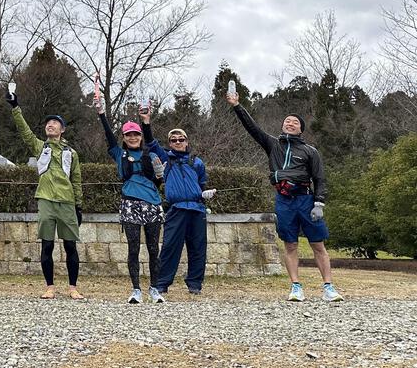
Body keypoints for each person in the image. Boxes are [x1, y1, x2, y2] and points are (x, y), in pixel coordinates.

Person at [226, 89, 343, 302]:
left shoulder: (311, 151)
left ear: (300, 129)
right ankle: (296, 287)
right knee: (290, 244)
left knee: (318, 244)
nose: (290, 123)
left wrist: (319, 203)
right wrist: (236, 106)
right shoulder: (273, 145)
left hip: (306, 200)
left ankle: (328, 287)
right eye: (287, 121)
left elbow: (319, 178)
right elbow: (252, 128)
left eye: (295, 122)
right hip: (284, 200)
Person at [6, 89, 84, 300]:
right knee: (47, 244)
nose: (50, 125)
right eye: (48, 123)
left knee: (70, 246)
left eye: (55, 123)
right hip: (46, 200)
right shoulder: (41, 148)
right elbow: (25, 133)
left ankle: (73, 287)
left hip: (67, 201)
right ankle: (49, 286)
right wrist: (15, 108)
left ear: (63, 129)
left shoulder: (72, 153)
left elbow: (76, 180)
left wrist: (79, 206)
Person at [93, 88, 165, 304]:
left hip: (152, 203)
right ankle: (136, 289)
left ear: (140, 136)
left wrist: (146, 122)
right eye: (128, 134)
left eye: (136, 134)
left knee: (154, 248)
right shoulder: (118, 153)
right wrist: (101, 115)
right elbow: (107, 135)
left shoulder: (150, 153)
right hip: (130, 205)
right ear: (123, 137)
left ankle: (154, 288)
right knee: (133, 247)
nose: (133, 137)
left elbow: (152, 143)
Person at [141, 107, 216, 301]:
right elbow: (150, 142)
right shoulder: (166, 159)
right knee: (170, 247)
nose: (177, 142)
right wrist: (146, 122)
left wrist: (204, 194)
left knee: (198, 247)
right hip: (176, 209)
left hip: (197, 208)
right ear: (170, 143)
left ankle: (195, 284)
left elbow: (202, 183)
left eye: (180, 139)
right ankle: (162, 283)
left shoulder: (196, 162)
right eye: (173, 140)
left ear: (186, 141)